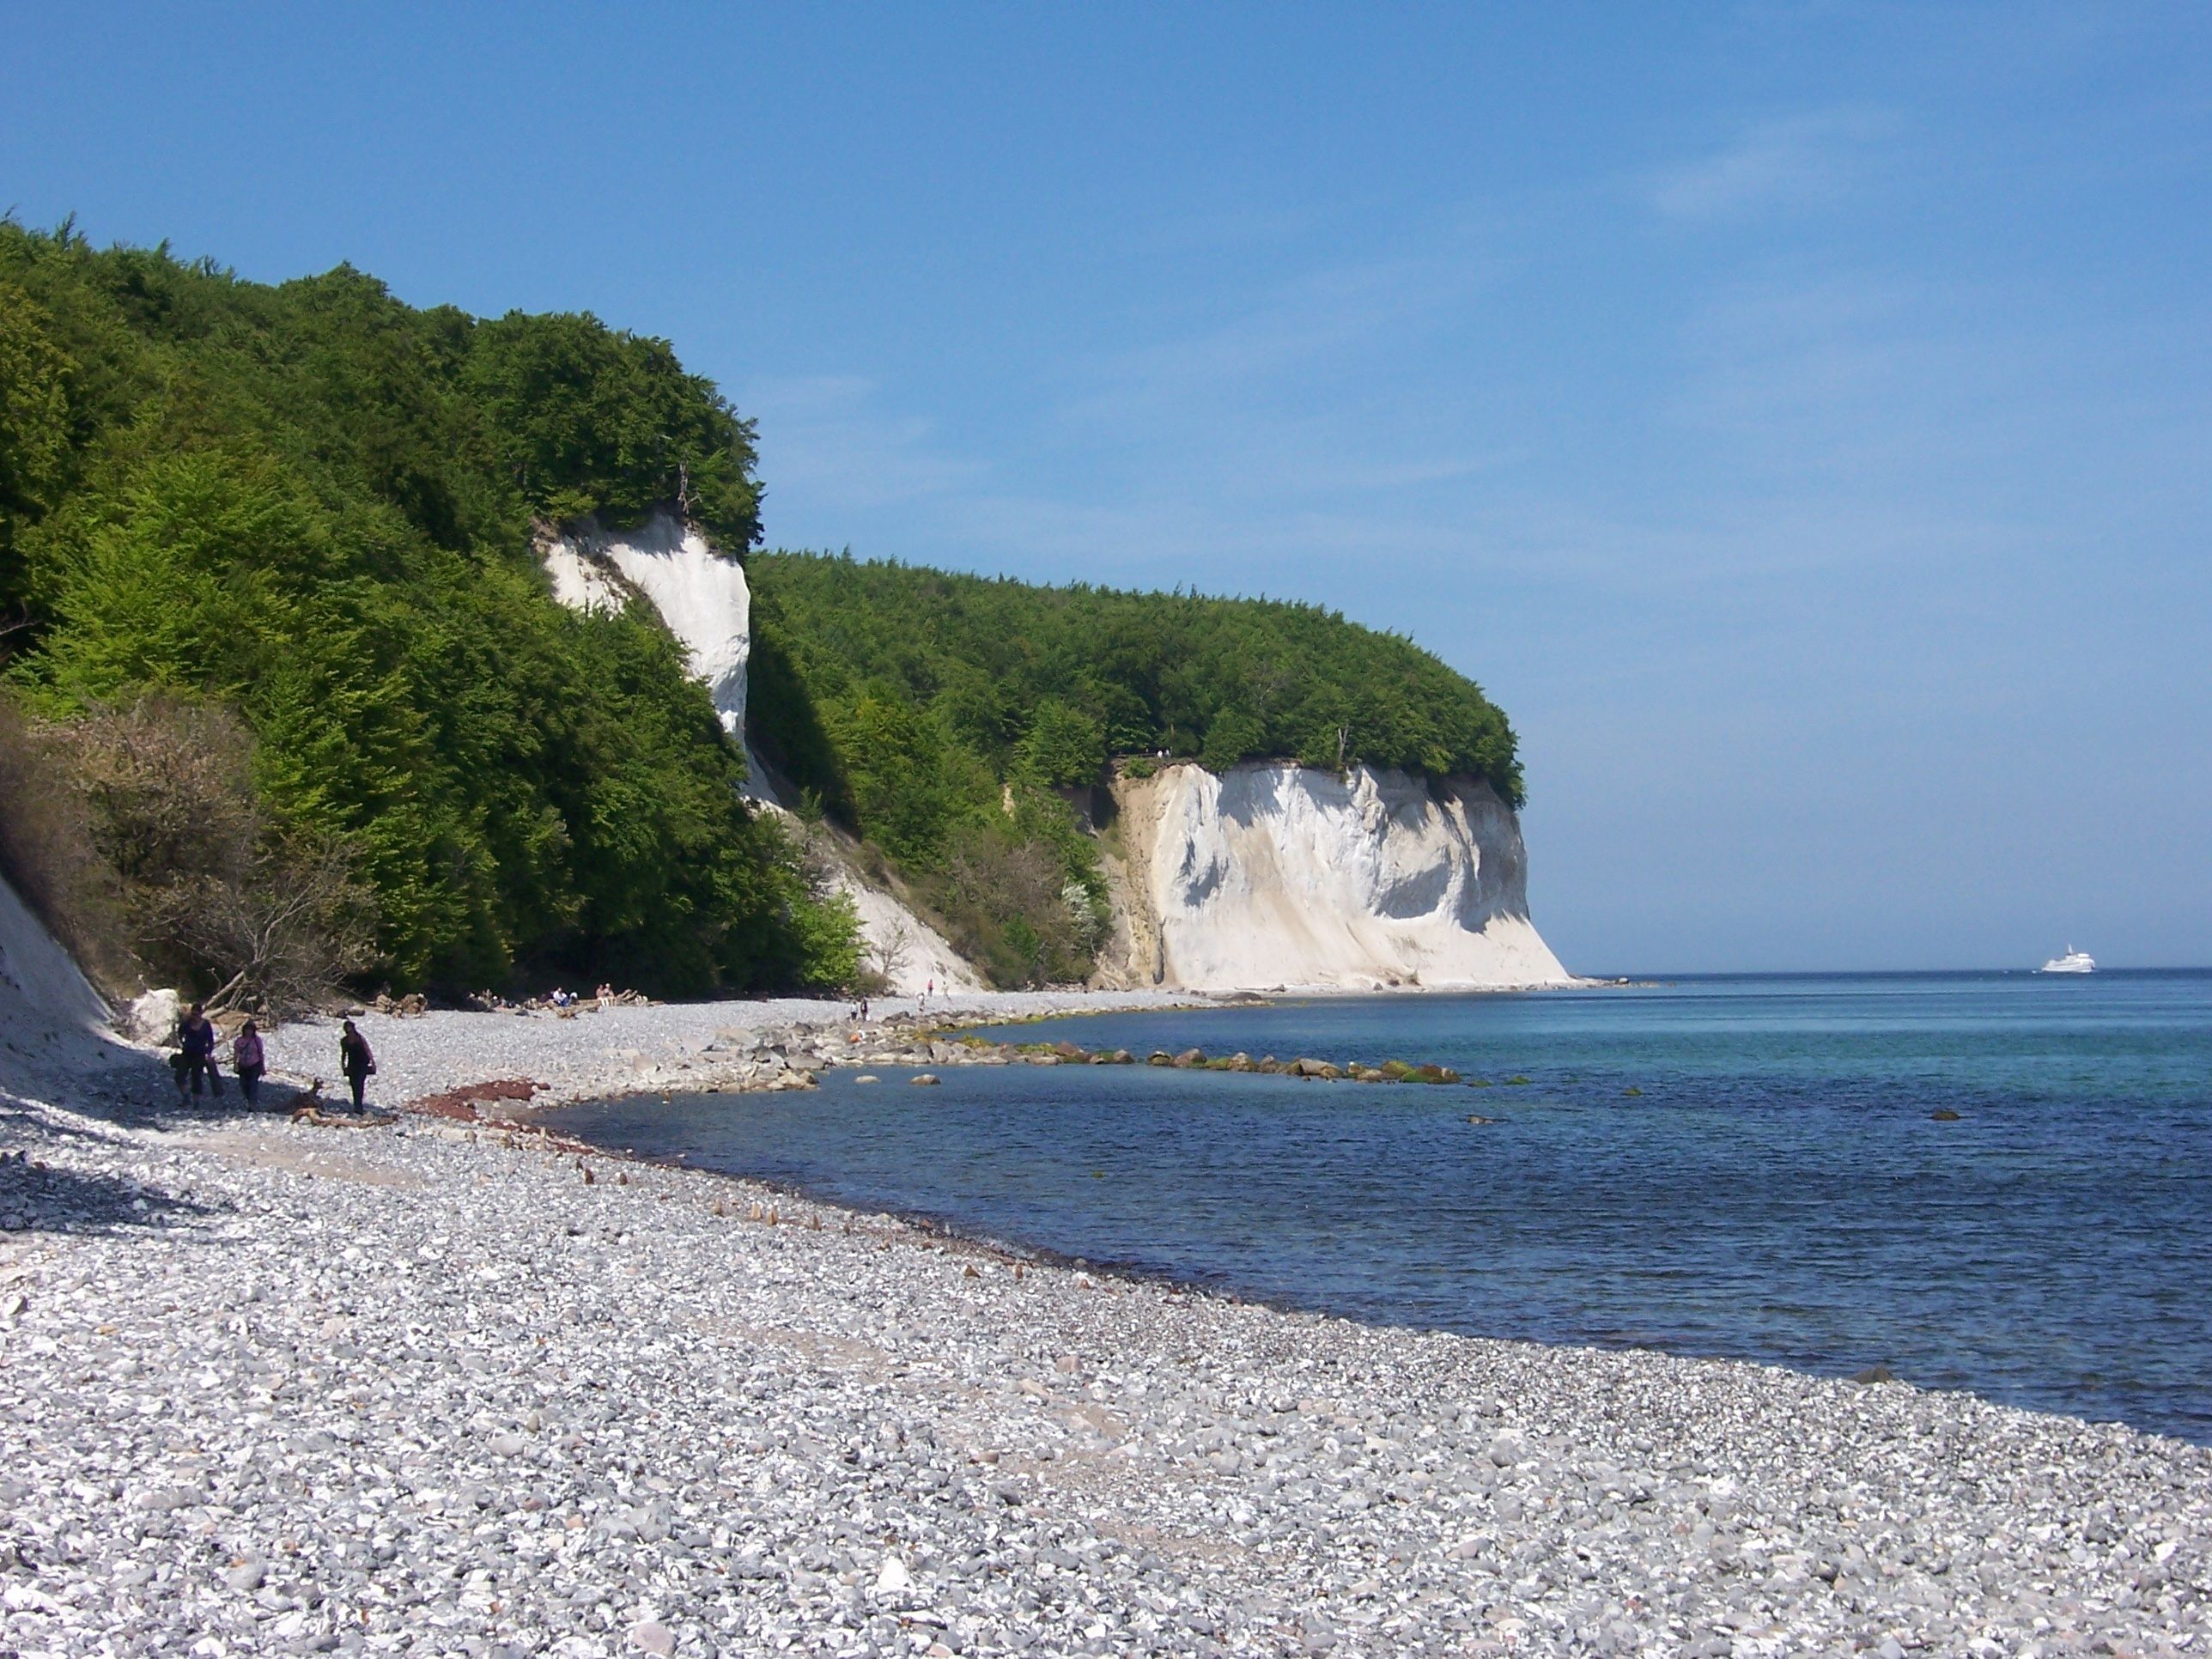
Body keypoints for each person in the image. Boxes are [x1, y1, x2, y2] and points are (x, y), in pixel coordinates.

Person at [177, 1003, 222, 1100]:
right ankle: (186, 1095)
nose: (195, 1017)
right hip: (187, 1052)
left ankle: (197, 1100)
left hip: (200, 1054)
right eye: (193, 1014)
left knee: (196, 1077)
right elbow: (180, 1033)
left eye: (197, 1014)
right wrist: (182, 1043)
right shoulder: (187, 1023)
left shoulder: (205, 1025)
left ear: (201, 1014)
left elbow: (210, 1040)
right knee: (180, 1075)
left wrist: (208, 1053)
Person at [337, 1018, 376, 1112]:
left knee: (360, 1084)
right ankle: (357, 1104)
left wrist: (372, 1062)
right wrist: (343, 1065)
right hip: (352, 1064)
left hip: (362, 1064)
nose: (349, 1030)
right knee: (353, 1085)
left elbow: (367, 1050)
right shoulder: (344, 1041)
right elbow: (344, 1053)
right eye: (347, 1029)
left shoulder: (360, 1039)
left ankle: (359, 1106)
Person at [231, 1019, 265, 1106]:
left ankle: (252, 1103)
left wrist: (262, 1067)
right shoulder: (239, 1040)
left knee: (253, 1084)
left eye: (251, 1030)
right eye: (247, 1029)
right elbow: (236, 1053)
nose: (249, 1031)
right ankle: (248, 1099)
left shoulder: (257, 1040)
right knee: (243, 1084)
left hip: (255, 1064)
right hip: (243, 1065)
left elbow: (260, 1053)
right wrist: (235, 1065)